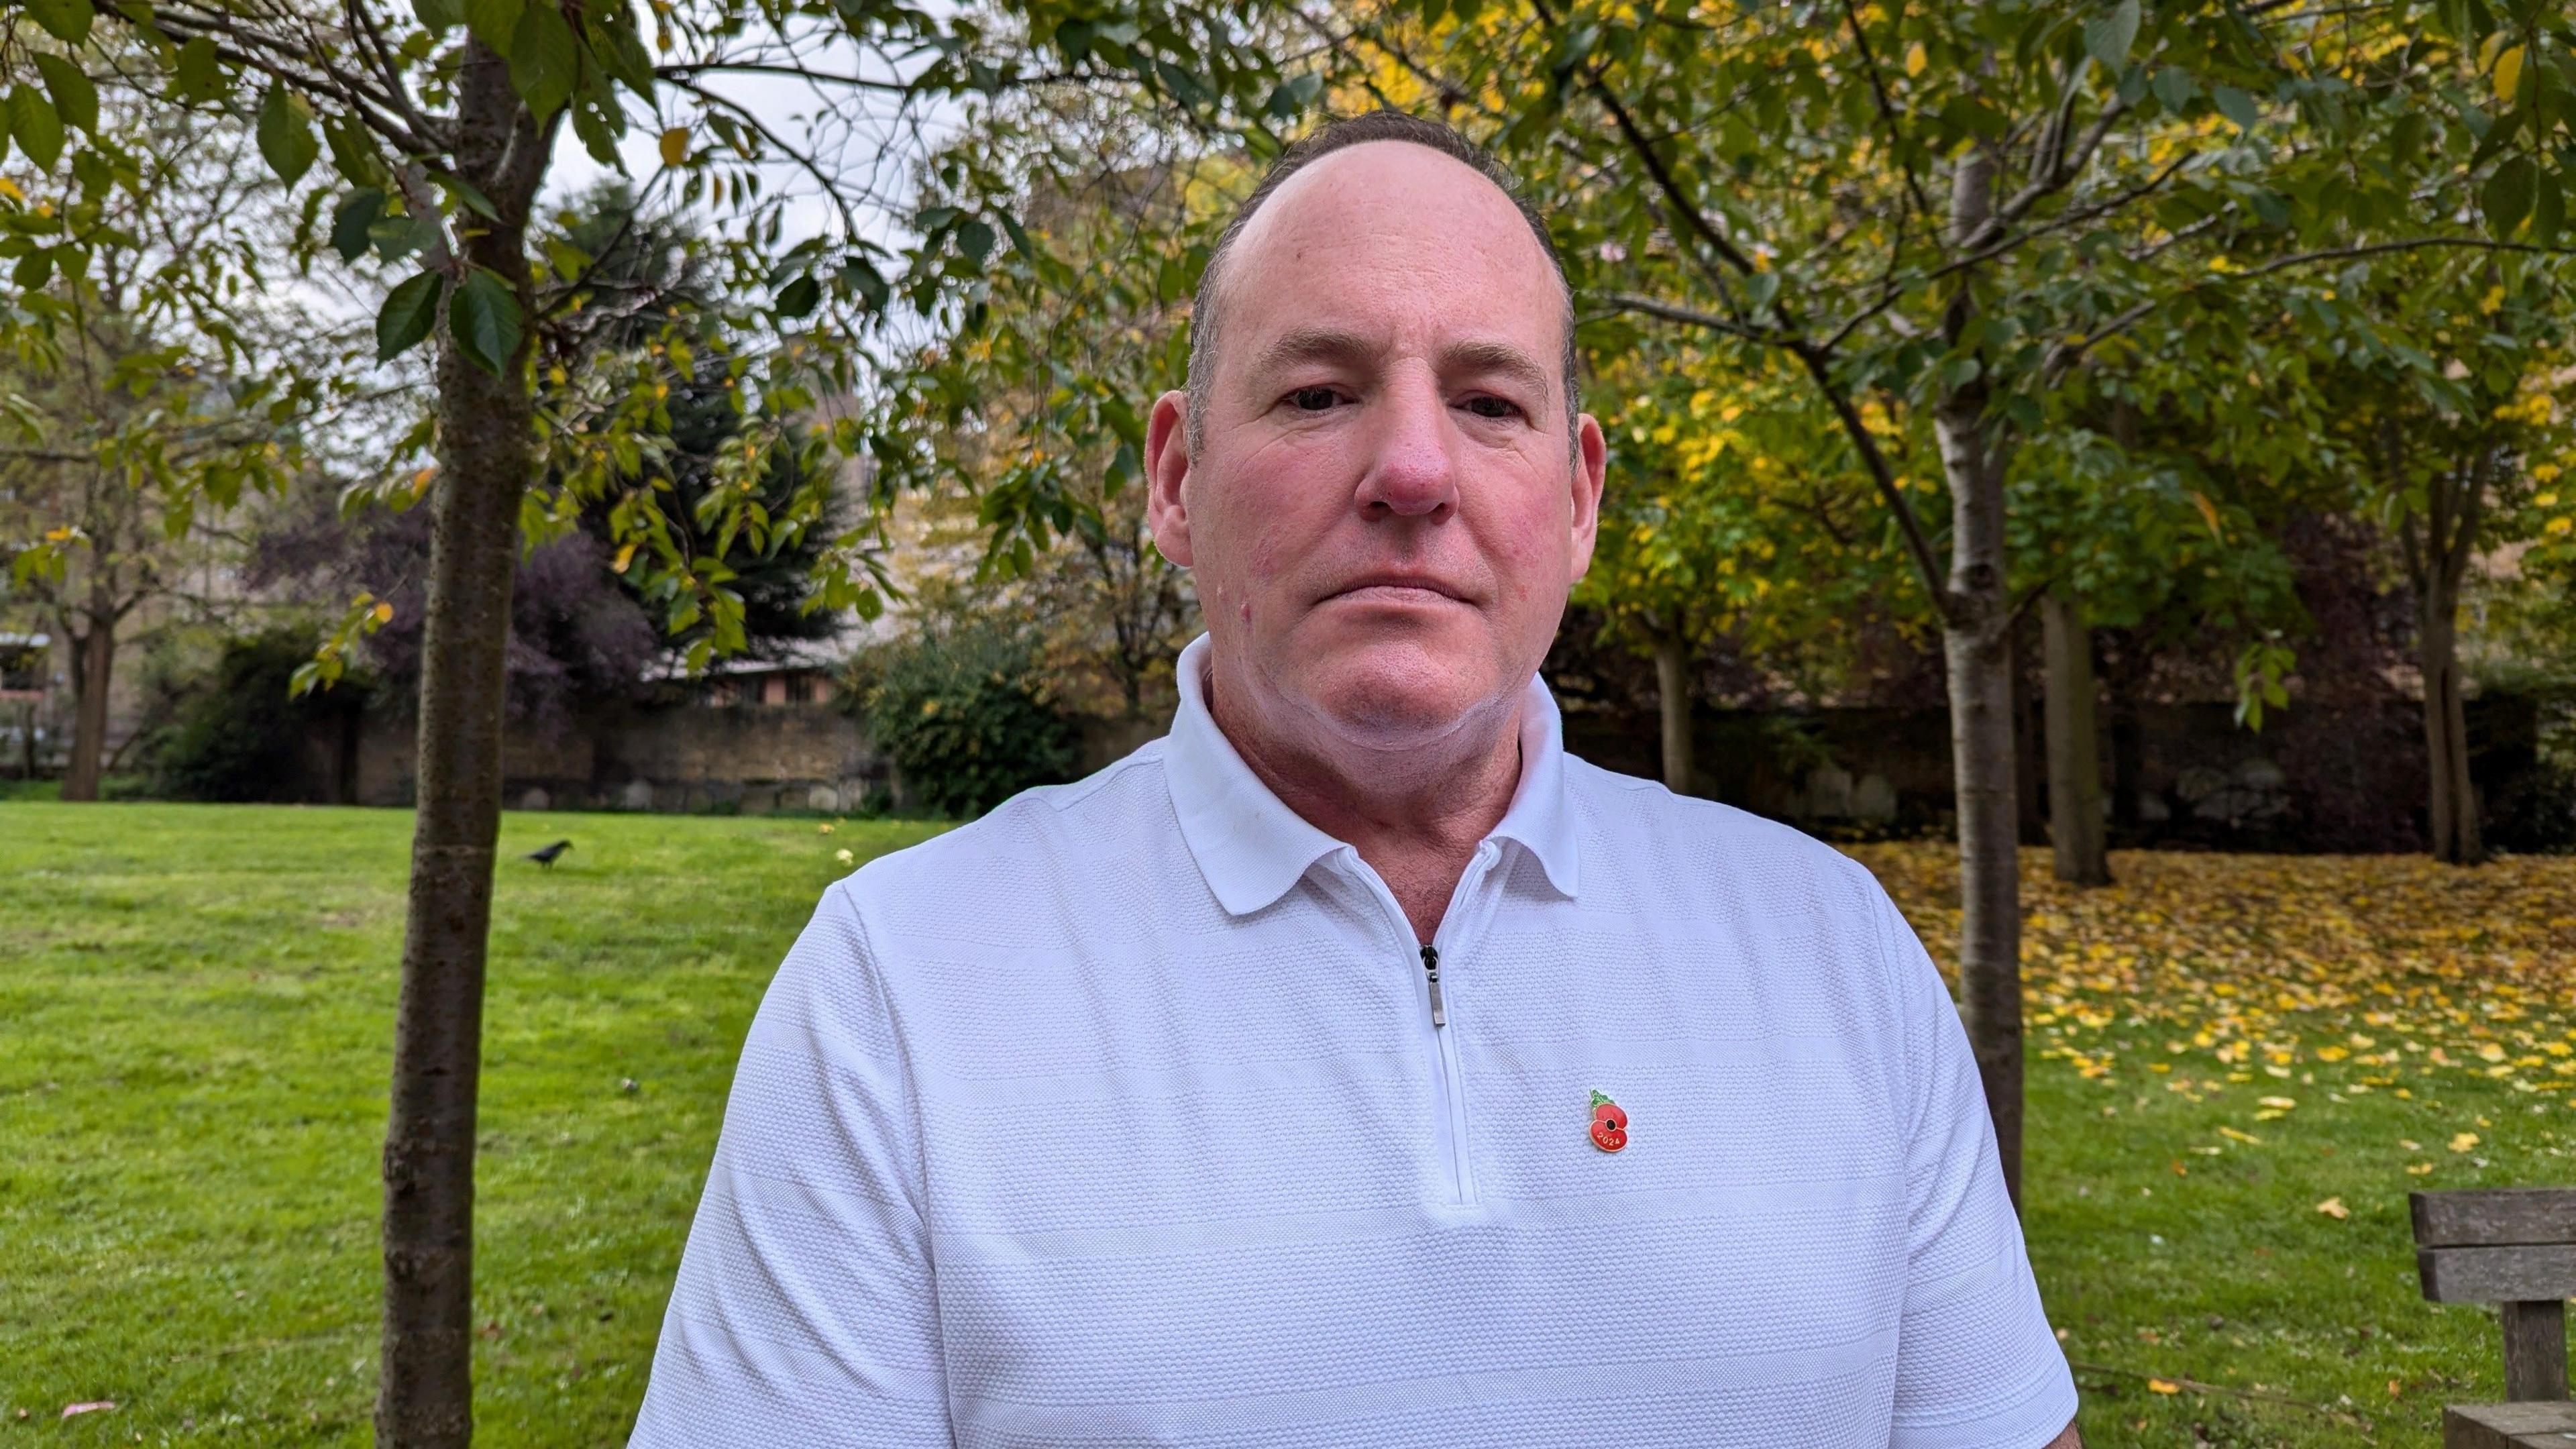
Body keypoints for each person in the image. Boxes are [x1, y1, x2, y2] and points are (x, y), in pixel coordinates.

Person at [628, 110, 2082, 1448]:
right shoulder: (899, 994)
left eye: (1490, 402)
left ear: (1578, 501)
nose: (1411, 470)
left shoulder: (1834, 955)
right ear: (1178, 481)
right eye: (1321, 393)